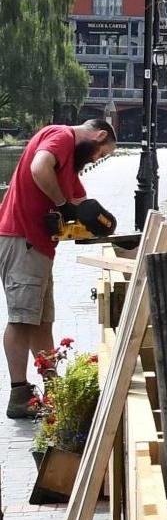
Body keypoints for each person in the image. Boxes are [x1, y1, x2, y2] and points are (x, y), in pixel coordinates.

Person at [0, 116, 118, 419]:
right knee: (22, 319)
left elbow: (81, 203)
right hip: (22, 238)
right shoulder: (62, 136)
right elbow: (38, 168)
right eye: (101, 153)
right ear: (98, 135)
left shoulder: (68, 164)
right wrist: (62, 203)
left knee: (41, 321)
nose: (97, 159)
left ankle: (53, 386)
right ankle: (18, 393)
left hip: (38, 245)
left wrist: (103, 225)